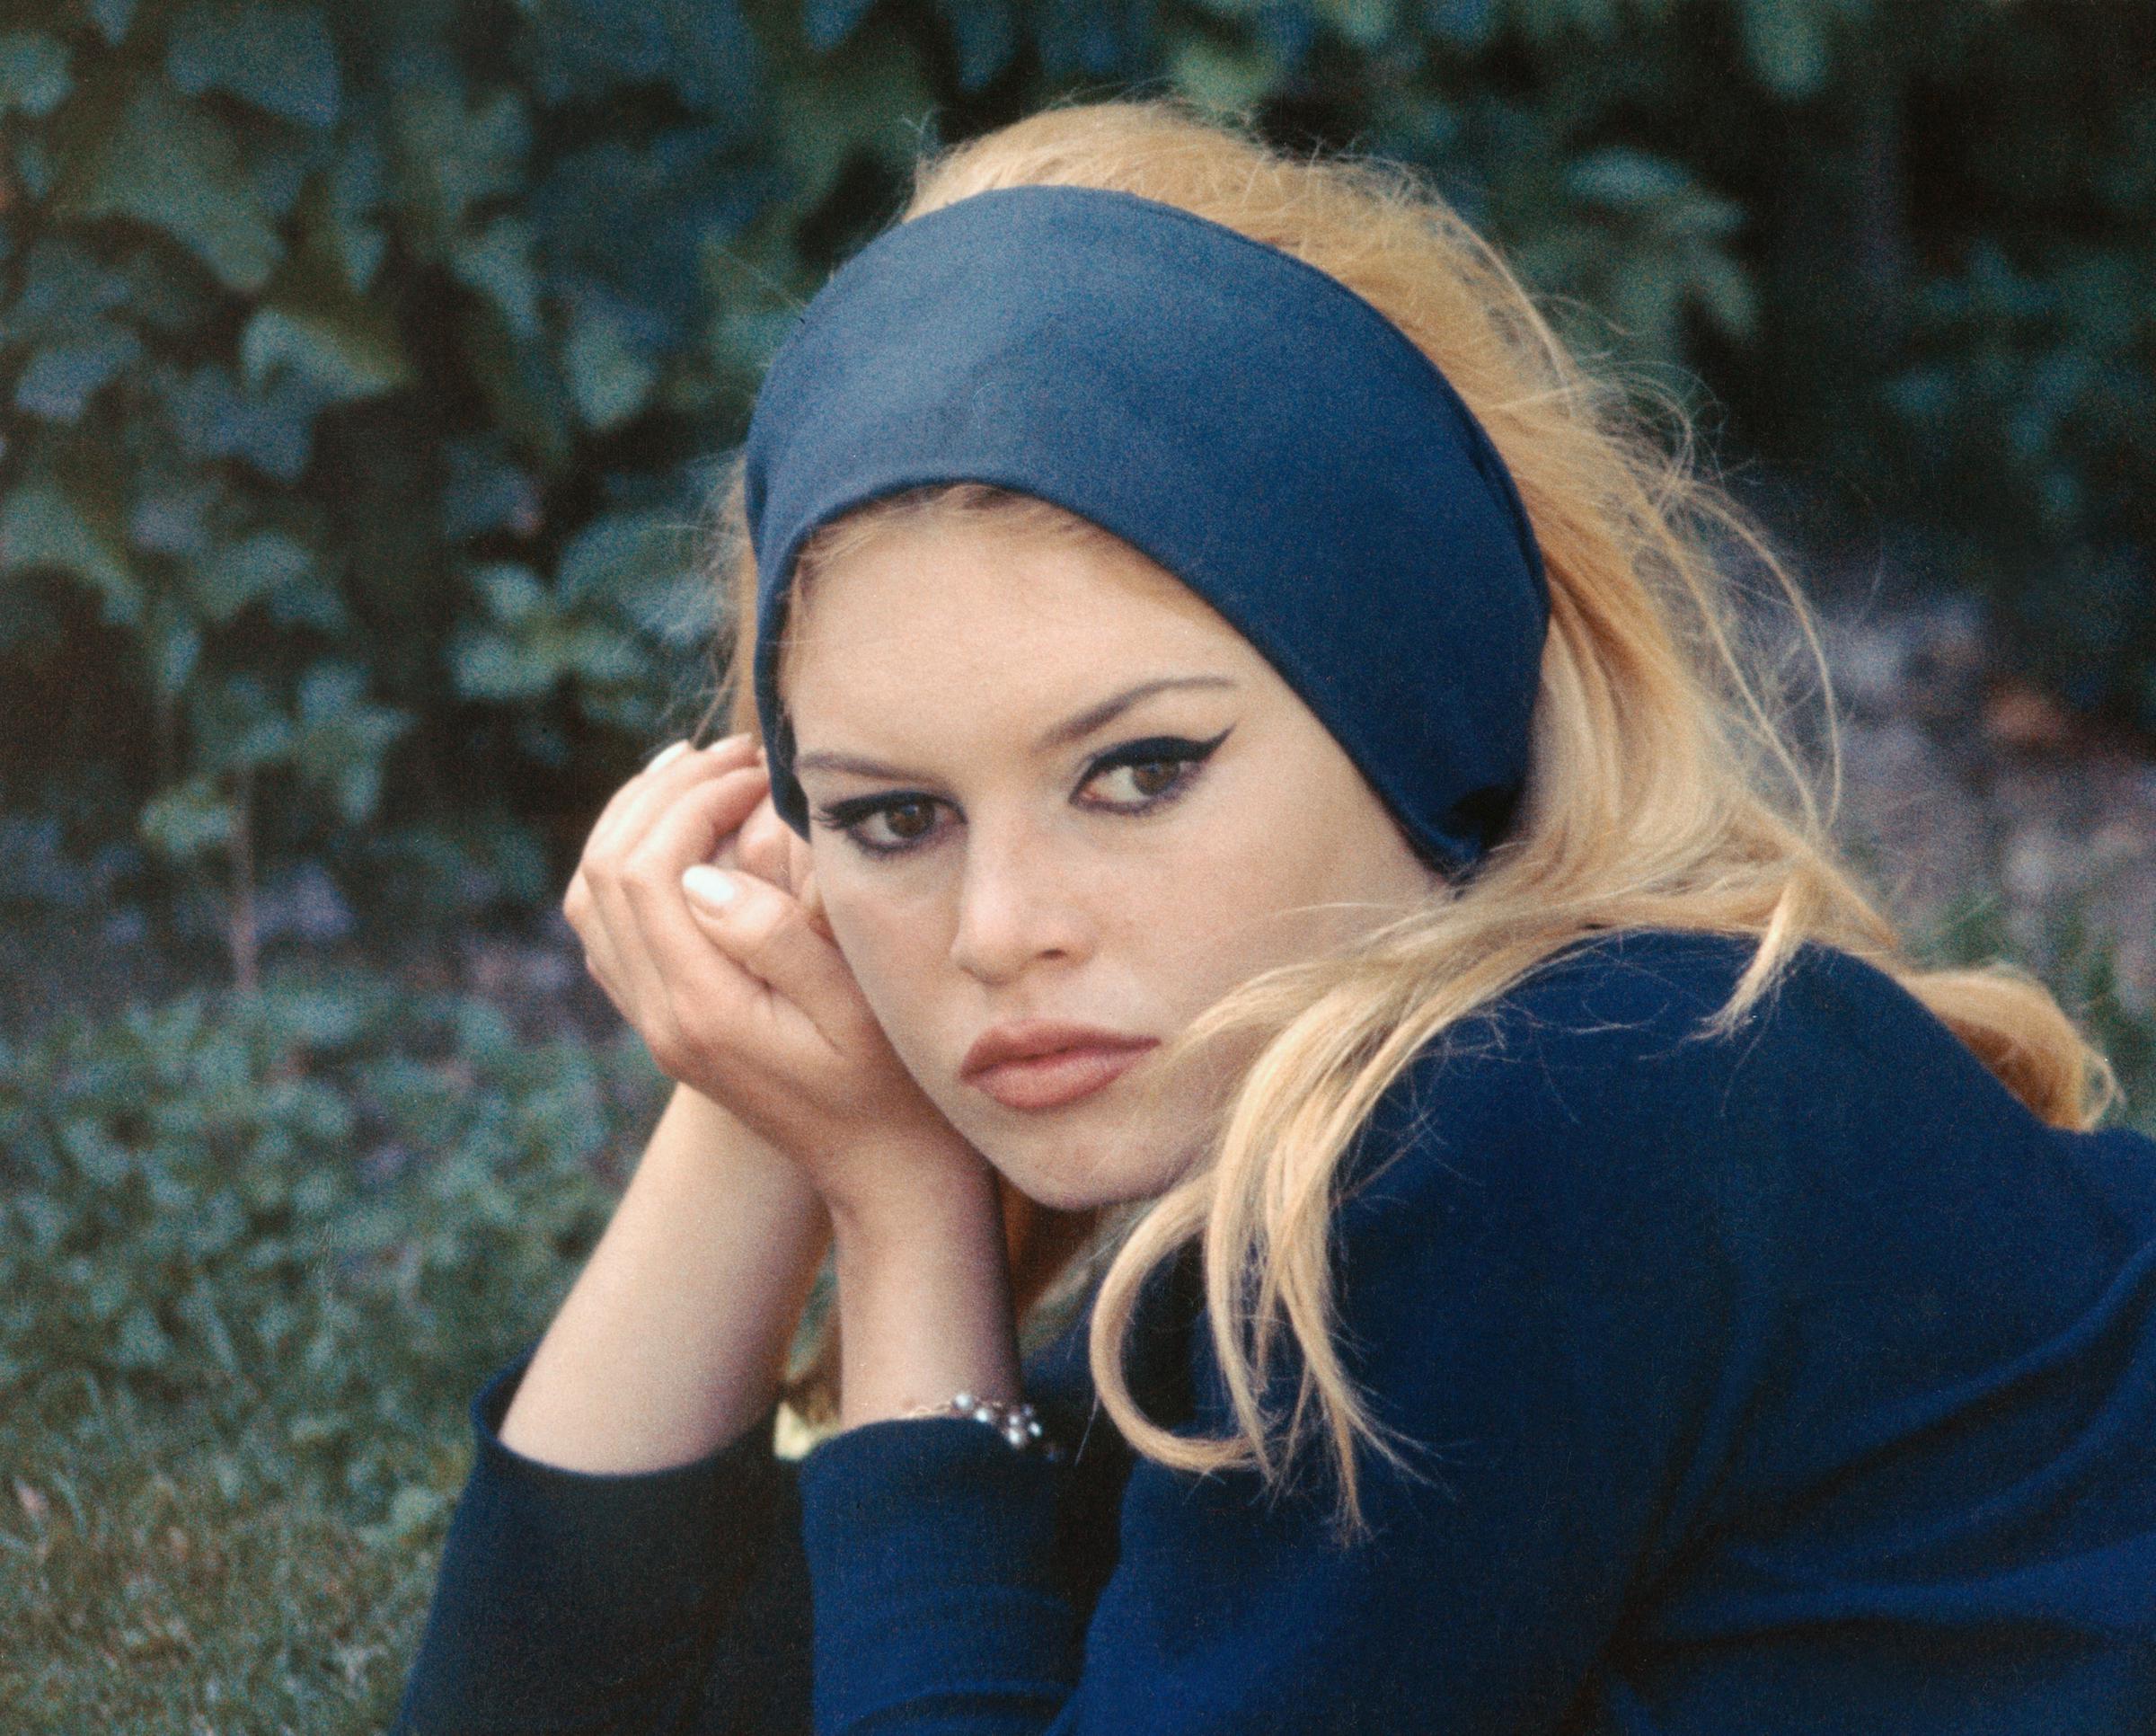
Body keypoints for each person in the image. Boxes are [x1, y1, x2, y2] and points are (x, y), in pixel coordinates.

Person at [390, 95, 2156, 1735]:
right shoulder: (1321, 1165)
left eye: (1140, 771)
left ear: (1416, 705)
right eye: (893, 810)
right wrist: (763, 1062)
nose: (1003, 926)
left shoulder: (1533, 1123)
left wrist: (905, 1222)